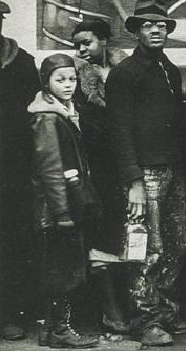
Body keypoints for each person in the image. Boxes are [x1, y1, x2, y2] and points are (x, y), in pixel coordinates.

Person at [105, 0, 186, 347]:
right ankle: (145, 320)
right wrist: (134, 181)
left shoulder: (168, 70)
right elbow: (119, 130)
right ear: (136, 32)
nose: (156, 30)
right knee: (146, 249)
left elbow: (178, 126)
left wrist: (185, 175)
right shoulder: (125, 74)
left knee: (175, 246)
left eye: (162, 25)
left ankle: (166, 312)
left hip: (173, 172)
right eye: (148, 25)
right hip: (145, 175)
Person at [29, 54, 99, 349]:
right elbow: (51, 170)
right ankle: (60, 330)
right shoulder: (47, 118)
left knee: (60, 267)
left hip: (66, 205)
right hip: (58, 209)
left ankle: (50, 330)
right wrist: (62, 213)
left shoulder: (64, 113)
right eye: (60, 80)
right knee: (63, 269)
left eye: (72, 79)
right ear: (46, 83)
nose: (68, 85)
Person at [70, 20, 130, 336]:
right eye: (77, 44)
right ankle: (110, 309)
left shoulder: (124, 72)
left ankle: (132, 304)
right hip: (98, 168)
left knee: (131, 235)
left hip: (128, 165)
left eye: (87, 42)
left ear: (104, 41)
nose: (81, 49)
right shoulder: (77, 80)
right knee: (102, 234)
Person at [0, 0, 39, 341]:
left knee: (9, 242)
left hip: (10, 171)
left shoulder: (22, 63)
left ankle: (7, 315)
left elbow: (34, 113)